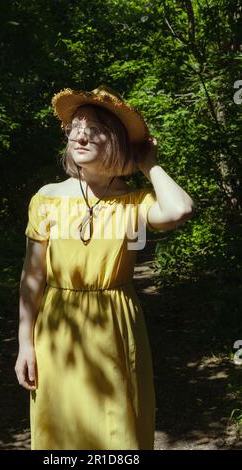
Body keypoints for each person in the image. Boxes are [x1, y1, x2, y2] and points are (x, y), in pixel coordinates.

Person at [15, 85, 195, 450]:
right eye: (75, 126)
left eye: (93, 128)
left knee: (116, 430)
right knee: (61, 430)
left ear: (113, 140)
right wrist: (24, 344)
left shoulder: (133, 200)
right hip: (57, 326)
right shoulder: (47, 197)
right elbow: (32, 276)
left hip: (114, 325)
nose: (79, 134)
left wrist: (149, 162)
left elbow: (179, 210)